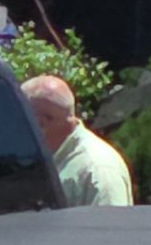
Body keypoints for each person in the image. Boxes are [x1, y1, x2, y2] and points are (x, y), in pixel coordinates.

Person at [20, 75, 134, 206]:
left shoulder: (98, 170)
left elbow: (111, 225)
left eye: (19, 122)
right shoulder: (43, 159)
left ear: (39, 123)